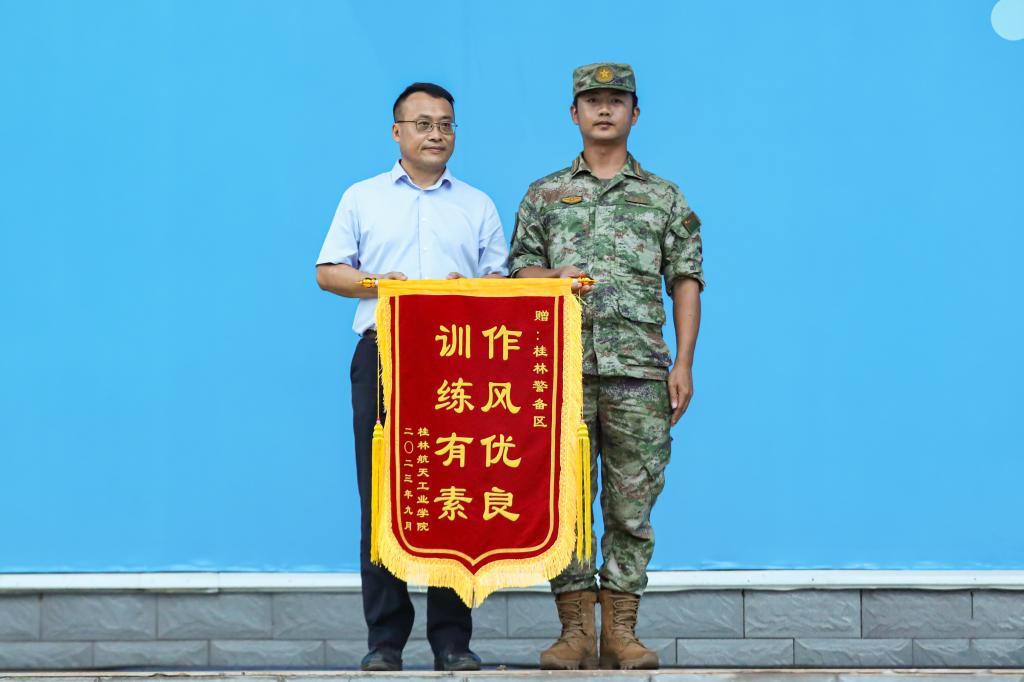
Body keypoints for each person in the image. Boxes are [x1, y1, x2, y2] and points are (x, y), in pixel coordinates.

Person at [508, 63, 704, 671]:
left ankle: (621, 631)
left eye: (616, 101)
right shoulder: (544, 194)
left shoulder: (664, 197)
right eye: (591, 101)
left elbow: (686, 279)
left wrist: (684, 363)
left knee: (631, 505)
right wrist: (553, 276)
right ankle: (574, 633)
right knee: (563, 501)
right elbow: (518, 270)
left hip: (640, 373)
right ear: (574, 114)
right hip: (559, 371)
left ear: (634, 114)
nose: (603, 110)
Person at [315, 82, 508, 672]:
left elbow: (501, 281)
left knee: (455, 495)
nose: (435, 134)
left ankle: (452, 640)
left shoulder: (476, 204)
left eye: (445, 124)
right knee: (382, 494)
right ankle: (385, 640)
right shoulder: (362, 197)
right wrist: (379, 284)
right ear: (396, 132)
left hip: (457, 361)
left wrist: (469, 291)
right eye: (423, 124)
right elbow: (328, 272)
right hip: (385, 354)